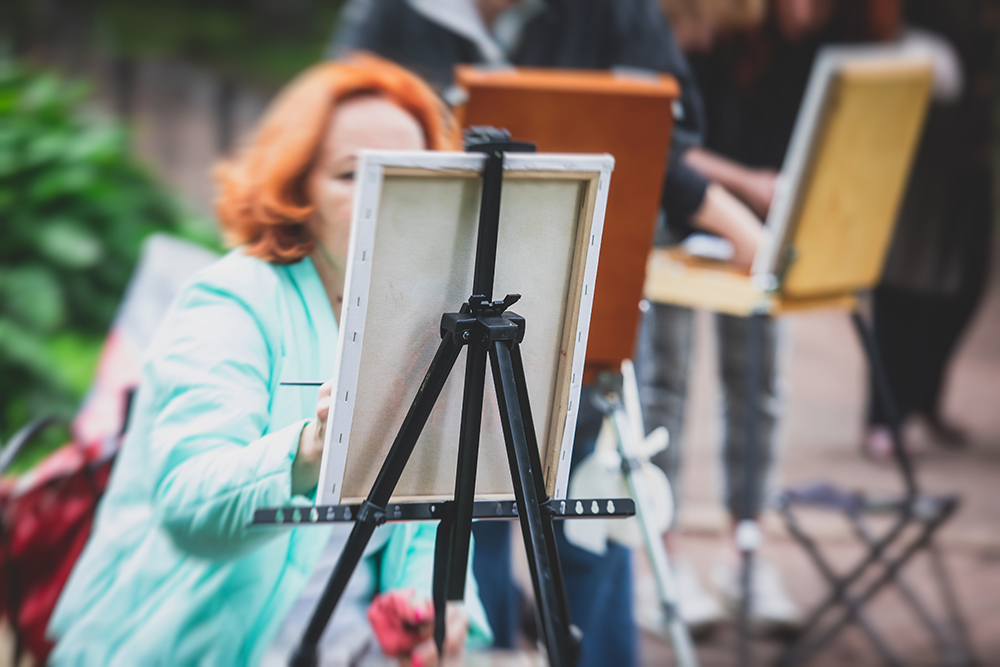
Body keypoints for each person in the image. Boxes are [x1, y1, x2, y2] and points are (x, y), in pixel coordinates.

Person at [329, 2, 779, 664]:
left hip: (582, 322)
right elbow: (339, 139)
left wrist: (737, 225)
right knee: (453, 539)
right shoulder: (391, 14)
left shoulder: (617, 13)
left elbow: (656, 144)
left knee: (588, 531)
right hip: (429, 331)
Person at [47, 56, 491, 666]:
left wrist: (432, 606)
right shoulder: (233, 300)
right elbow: (188, 509)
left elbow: (426, 523)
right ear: (297, 191)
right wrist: (311, 447)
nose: (382, 198)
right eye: (350, 175)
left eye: (406, 174)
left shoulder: (426, 321)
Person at [864, 0, 996, 459]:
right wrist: (896, 37)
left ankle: (922, 397)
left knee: (965, 283)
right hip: (918, 137)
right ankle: (885, 414)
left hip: (970, 145)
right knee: (902, 282)